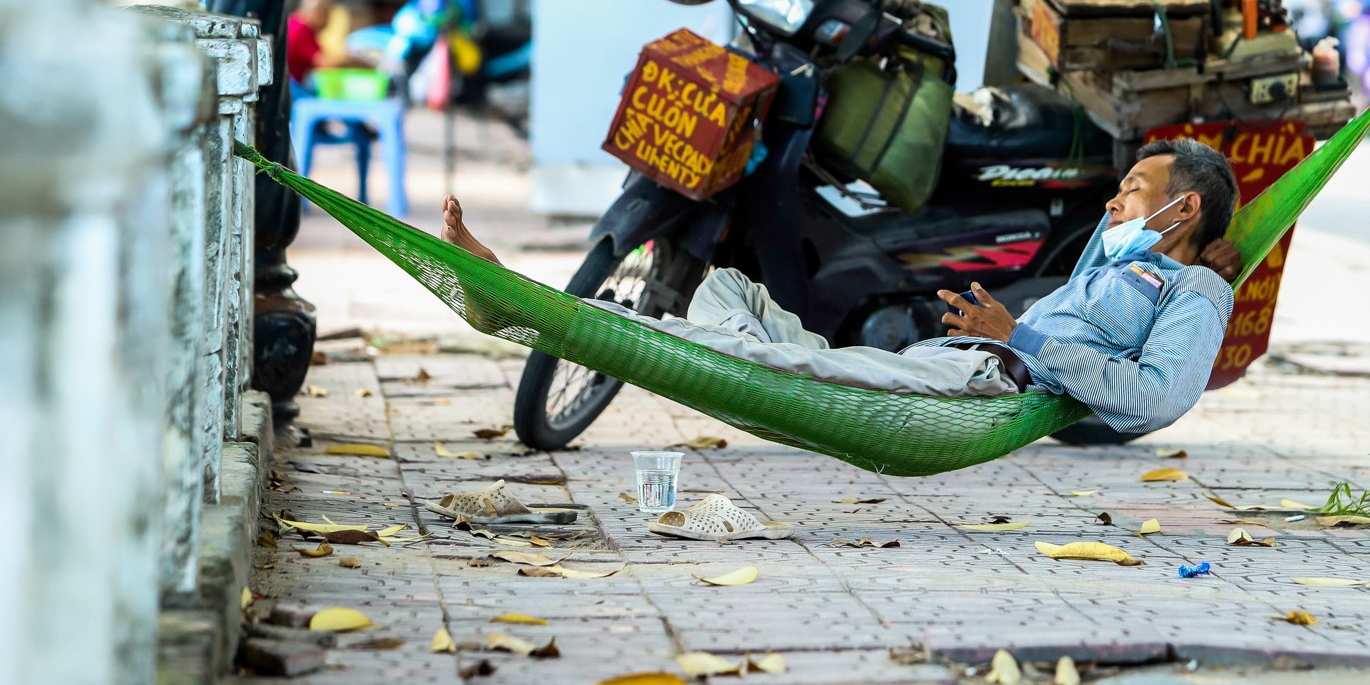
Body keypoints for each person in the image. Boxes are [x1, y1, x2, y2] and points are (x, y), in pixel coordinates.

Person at [442, 139, 1245, 438]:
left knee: (743, 358)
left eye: (1133, 189)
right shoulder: (1121, 263)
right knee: (728, 290)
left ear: (1185, 207)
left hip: (977, 388)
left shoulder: (1194, 294)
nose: (1114, 201)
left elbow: (1153, 398)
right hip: (942, 362)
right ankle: (741, 358)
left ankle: (511, 296)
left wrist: (1019, 334)